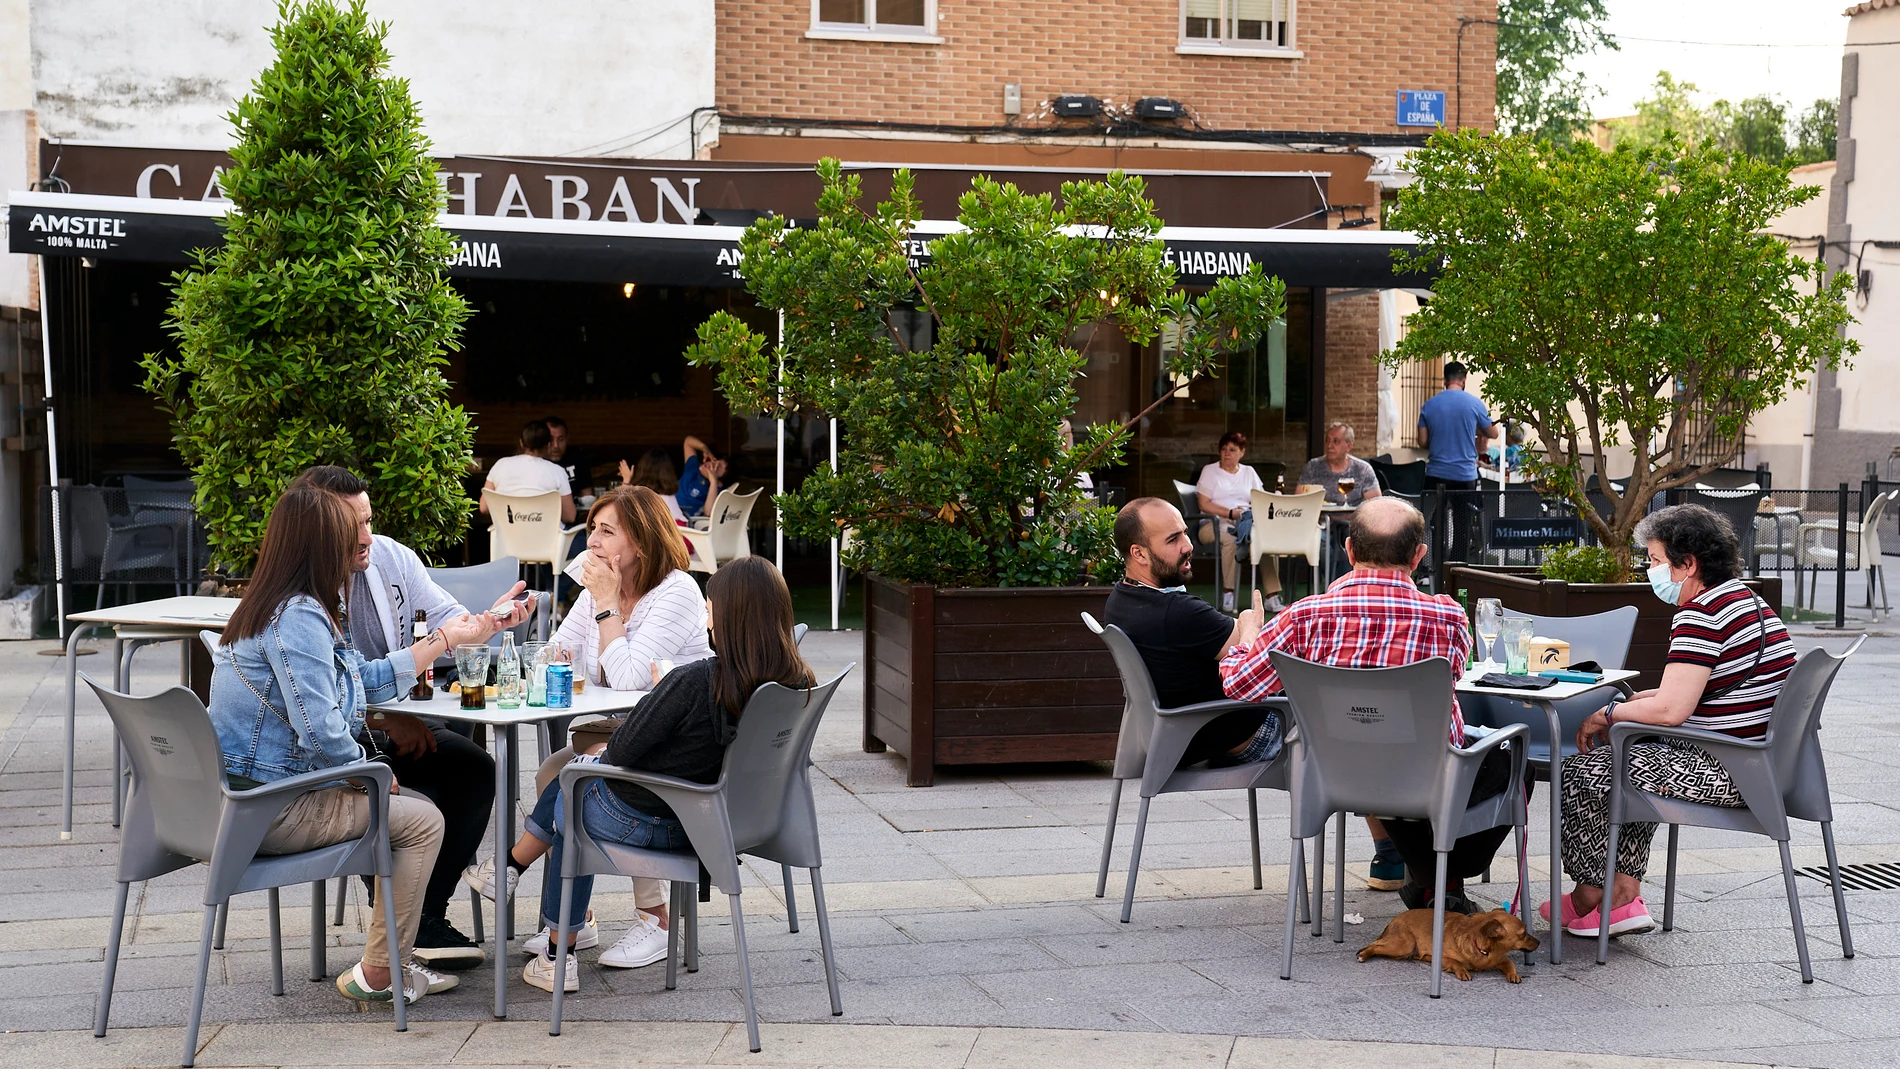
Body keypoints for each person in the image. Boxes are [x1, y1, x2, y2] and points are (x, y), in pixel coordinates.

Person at [207, 486, 496, 1004]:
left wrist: (441, 642)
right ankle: (381, 971)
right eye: (351, 531)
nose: (366, 540)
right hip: (272, 807)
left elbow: (359, 681)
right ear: (317, 544)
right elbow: (320, 732)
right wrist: (373, 775)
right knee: (424, 818)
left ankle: (400, 951)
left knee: (424, 797)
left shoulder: (278, 603)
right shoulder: (297, 616)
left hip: (247, 796)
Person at [497, 556, 813, 993]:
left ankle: (554, 945)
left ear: (732, 618)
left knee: (572, 782)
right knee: (578, 775)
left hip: (655, 824)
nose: (706, 618)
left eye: (711, 609)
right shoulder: (795, 683)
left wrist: (638, 719)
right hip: (724, 824)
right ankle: (524, 884)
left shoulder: (698, 680)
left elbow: (625, 748)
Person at [287, 465, 532, 969]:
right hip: (331, 750)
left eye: (368, 520)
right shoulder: (303, 605)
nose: (366, 537)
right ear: (320, 528)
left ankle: (424, 917)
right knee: (401, 794)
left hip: (383, 719)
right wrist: (377, 728)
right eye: (353, 526)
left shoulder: (389, 558)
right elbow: (321, 714)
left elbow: (436, 633)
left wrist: (486, 624)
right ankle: (400, 933)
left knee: (471, 768)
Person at [1218, 496, 1511, 914]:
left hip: (1333, 774)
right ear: (1418, 556)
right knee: (1508, 757)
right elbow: (1455, 675)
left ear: (1350, 550)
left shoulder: (1302, 617)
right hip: (1429, 776)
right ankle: (1440, 879)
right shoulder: (1447, 616)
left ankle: (1428, 882)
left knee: (1385, 749)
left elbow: (1238, 685)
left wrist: (1247, 635)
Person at [464, 485, 714, 947]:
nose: (591, 542)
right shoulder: (598, 581)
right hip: (625, 732)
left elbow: (628, 677)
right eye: (591, 530)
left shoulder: (677, 592)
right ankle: (577, 920)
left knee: (571, 775)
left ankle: (652, 920)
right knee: (552, 771)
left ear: (640, 542)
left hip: (675, 752)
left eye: (605, 531)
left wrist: (604, 604)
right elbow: (560, 656)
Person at [1551, 504, 1794, 938]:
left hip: (1728, 769)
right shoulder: (1745, 602)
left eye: (1656, 560)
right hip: (1755, 762)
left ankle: (1595, 894)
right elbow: (1694, 691)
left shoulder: (1701, 616)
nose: (1651, 569)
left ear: (1688, 565)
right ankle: (1622, 891)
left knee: (1586, 770)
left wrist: (1607, 712)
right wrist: (1634, 706)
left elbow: (1671, 711)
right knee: (1628, 756)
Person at [1103, 498, 1279, 766]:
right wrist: (1250, 627)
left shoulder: (1120, 599)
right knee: (1343, 721)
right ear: (1138, 553)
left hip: (1184, 735)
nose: (1188, 545)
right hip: (1245, 736)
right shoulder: (1177, 613)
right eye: (1173, 540)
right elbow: (1258, 658)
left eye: (1185, 532)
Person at [1415, 361, 1499, 563]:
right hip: (1464, 475)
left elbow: (1422, 441)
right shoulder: (1474, 404)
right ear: (1464, 380)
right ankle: (1457, 567)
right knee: (1462, 523)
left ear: (1444, 380)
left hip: (1436, 474)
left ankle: (1433, 565)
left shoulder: (1429, 405)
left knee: (1434, 522)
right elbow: (1493, 433)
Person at [1194, 431, 1275, 614]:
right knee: (1230, 540)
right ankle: (1228, 593)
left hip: (1243, 523)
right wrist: (1230, 513)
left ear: (1242, 452)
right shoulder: (1210, 471)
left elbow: (1259, 499)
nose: (1227, 453)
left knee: (1266, 538)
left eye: (1232, 449)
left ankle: (1272, 596)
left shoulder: (1249, 472)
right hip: (1211, 524)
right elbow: (1203, 503)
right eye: (1223, 449)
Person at [483, 419, 576, 524]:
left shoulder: (500, 465)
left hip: (507, 538)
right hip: (547, 539)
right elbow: (570, 516)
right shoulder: (557, 471)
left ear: (521, 443)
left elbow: (484, 507)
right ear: (548, 445)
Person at [1296, 423, 1382, 507]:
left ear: (1349, 446)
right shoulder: (1313, 467)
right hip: (1320, 520)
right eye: (1327, 440)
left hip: (1352, 520)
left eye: (1336, 441)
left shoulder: (1363, 470)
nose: (1329, 445)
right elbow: (1298, 500)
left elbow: (1376, 506)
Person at [620, 448, 690, 525]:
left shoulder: (640, 494)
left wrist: (626, 480)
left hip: (665, 532)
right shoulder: (667, 491)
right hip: (682, 531)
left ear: (642, 469)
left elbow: (621, 509)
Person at [677, 434, 727, 521]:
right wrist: (705, 449)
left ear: (719, 483)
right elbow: (688, 441)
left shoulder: (714, 489)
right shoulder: (693, 469)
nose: (711, 464)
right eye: (714, 461)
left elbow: (708, 512)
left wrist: (713, 482)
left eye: (717, 467)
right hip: (662, 509)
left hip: (680, 522)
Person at [543, 415, 590, 498]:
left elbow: (587, 494)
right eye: (550, 440)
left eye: (561, 439)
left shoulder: (577, 458)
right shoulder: (535, 462)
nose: (556, 445)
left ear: (567, 439)